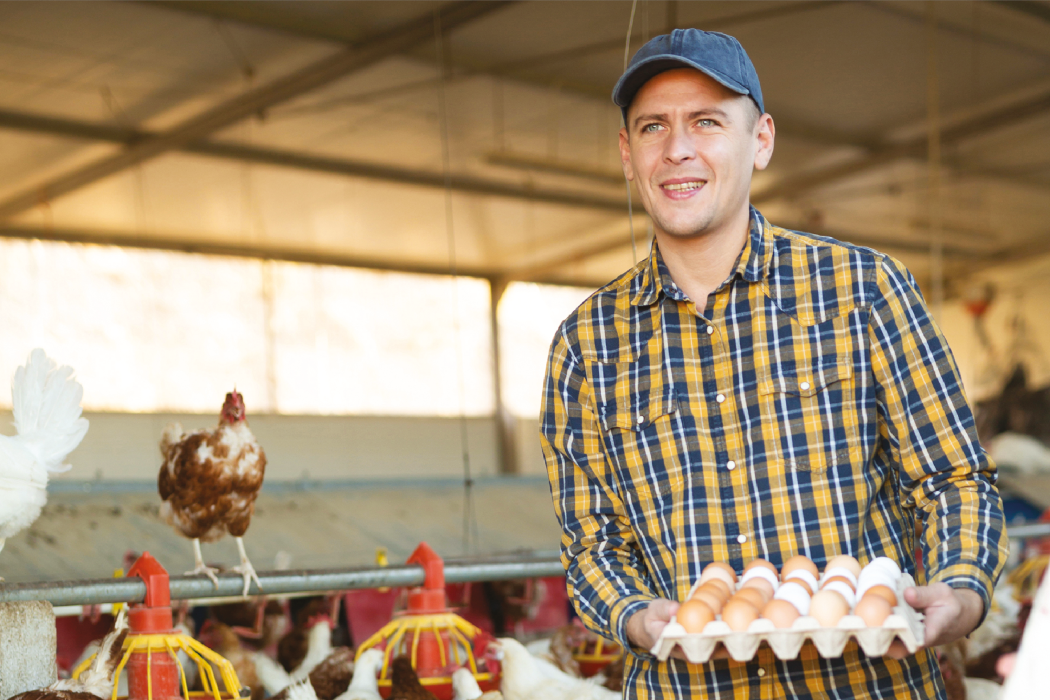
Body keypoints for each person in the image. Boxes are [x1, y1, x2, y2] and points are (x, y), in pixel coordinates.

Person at [540, 29, 1008, 698]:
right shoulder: (586, 346)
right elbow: (593, 544)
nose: (677, 150)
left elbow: (954, 478)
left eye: (706, 121)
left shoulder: (863, 288)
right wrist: (636, 615)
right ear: (627, 153)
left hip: (869, 685)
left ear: (760, 140)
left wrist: (963, 588)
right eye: (652, 127)